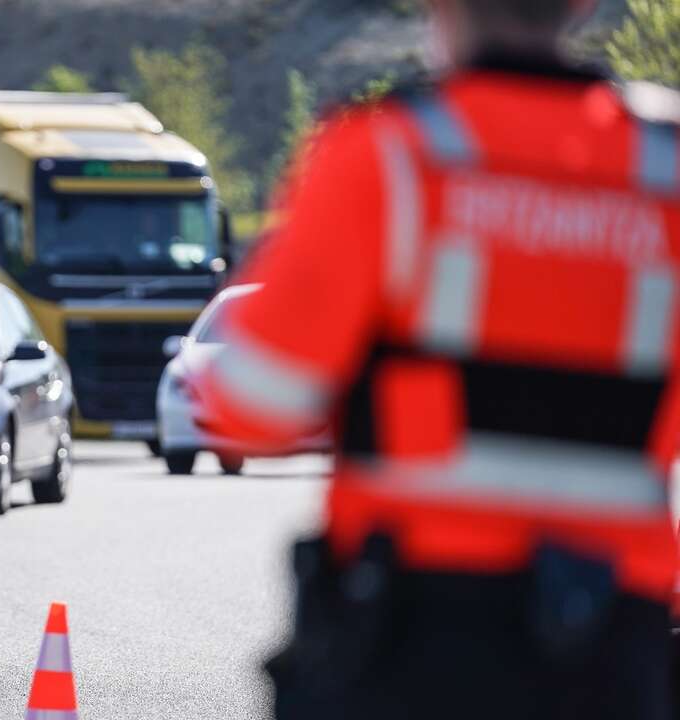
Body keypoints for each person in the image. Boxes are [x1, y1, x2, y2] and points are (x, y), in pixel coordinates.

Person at [199, 1, 680, 718]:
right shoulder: (664, 168)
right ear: (583, 5)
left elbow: (251, 409)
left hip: (414, 638)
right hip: (613, 639)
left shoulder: (387, 153)